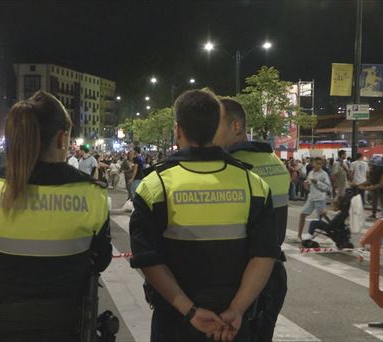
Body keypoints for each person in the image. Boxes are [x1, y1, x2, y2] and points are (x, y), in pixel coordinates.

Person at [130, 90, 279, 342]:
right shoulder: (253, 184)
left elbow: (148, 259)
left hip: (175, 323)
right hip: (232, 326)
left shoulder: (156, 185)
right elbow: (264, 254)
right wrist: (237, 309)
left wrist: (190, 310)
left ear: (178, 130)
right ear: (216, 129)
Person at [0, 91, 112, 341]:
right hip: (68, 329)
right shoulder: (91, 193)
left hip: (4, 329)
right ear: (61, 139)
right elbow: (101, 259)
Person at [214, 97, 290, 342]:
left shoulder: (234, 169)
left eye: (215, 125)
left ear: (235, 126)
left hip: (244, 280)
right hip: (273, 276)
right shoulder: (275, 162)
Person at [297, 157, 331, 241]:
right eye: (317, 163)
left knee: (324, 217)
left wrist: (317, 182)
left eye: (320, 163)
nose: (318, 165)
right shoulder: (311, 173)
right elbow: (309, 187)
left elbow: (327, 187)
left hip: (320, 198)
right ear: (313, 163)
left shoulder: (324, 174)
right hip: (311, 198)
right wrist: (306, 186)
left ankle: (330, 236)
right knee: (302, 214)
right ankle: (299, 235)